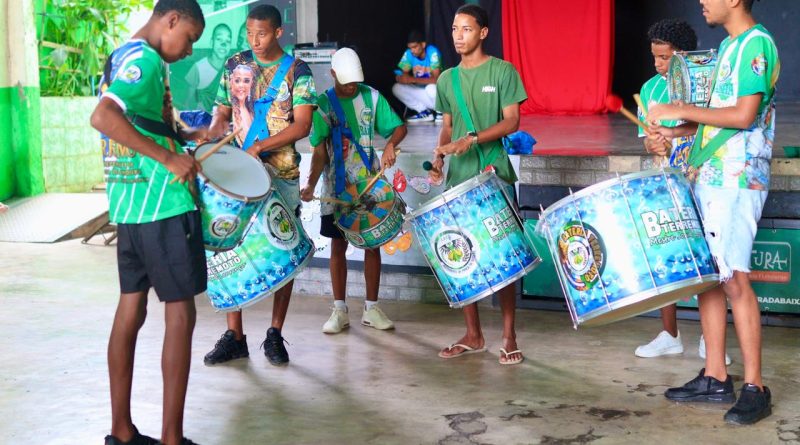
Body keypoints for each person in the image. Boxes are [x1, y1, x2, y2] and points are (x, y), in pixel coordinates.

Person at [649, 0, 779, 425]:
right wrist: (670, 133)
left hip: (738, 179)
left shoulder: (757, 45)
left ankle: (756, 387)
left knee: (735, 279)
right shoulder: (727, 49)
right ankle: (715, 375)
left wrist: (679, 110)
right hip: (711, 173)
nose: (702, 1)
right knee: (710, 277)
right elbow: (713, 120)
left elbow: (743, 115)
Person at [90, 1, 207, 444]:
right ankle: (172, 439)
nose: (189, 49)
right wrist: (168, 158)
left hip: (129, 206)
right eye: (190, 38)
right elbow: (104, 117)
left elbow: (140, 120)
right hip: (161, 204)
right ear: (170, 19)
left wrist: (183, 137)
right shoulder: (146, 59)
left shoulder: (122, 54)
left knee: (132, 309)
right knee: (180, 314)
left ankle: (122, 432)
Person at [203, 4, 316, 366]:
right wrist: (213, 131)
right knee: (228, 248)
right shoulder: (235, 64)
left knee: (284, 247)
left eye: (262, 34)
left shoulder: (298, 71)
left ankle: (275, 333)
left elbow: (303, 126)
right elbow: (223, 108)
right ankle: (235, 335)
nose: (255, 40)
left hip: (281, 175)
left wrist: (260, 146)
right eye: (249, 33)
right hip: (237, 173)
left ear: (279, 32)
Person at [430, 4, 527, 365]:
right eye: (455, 29)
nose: (458, 35)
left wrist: (471, 140)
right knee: (461, 258)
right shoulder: (446, 79)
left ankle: (508, 334)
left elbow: (512, 121)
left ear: (483, 33)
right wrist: (440, 156)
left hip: (494, 175)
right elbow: (447, 124)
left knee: (504, 259)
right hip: (458, 179)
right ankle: (473, 333)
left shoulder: (502, 71)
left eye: (466, 29)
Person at [634, 19, 730, 365]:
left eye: (665, 57)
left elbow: (718, 124)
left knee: (710, 257)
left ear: (684, 55)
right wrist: (653, 144)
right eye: (655, 57)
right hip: (668, 181)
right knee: (666, 255)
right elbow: (647, 139)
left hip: (704, 176)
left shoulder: (706, 83)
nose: (659, 65)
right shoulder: (649, 90)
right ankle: (669, 335)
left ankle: (710, 339)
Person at [300, 48, 407, 334]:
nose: (351, 86)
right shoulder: (323, 105)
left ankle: (372, 308)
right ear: (333, 74)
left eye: (354, 81)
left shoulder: (371, 97)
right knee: (338, 245)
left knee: (373, 245)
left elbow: (398, 128)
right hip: (336, 187)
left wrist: (390, 144)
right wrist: (310, 183)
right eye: (345, 81)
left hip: (368, 185)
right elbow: (319, 152)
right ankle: (339, 310)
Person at [392, 30, 443, 124]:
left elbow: (437, 80)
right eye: (410, 48)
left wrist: (412, 79)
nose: (412, 50)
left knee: (431, 88)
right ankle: (424, 112)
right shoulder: (409, 53)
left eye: (415, 47)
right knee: (396, 88)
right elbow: (403, 74)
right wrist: (401, 78)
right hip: (424, 95)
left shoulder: (432, 52)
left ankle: (441, 113)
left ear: (423, 45)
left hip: (438, 96)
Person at [184, 23, 231, 113]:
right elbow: (188, 101)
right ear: (211, 42)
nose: (223, 44)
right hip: (202, 119)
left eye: (228, 41)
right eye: (219, 39)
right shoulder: (198, 67)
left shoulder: (233, 68)